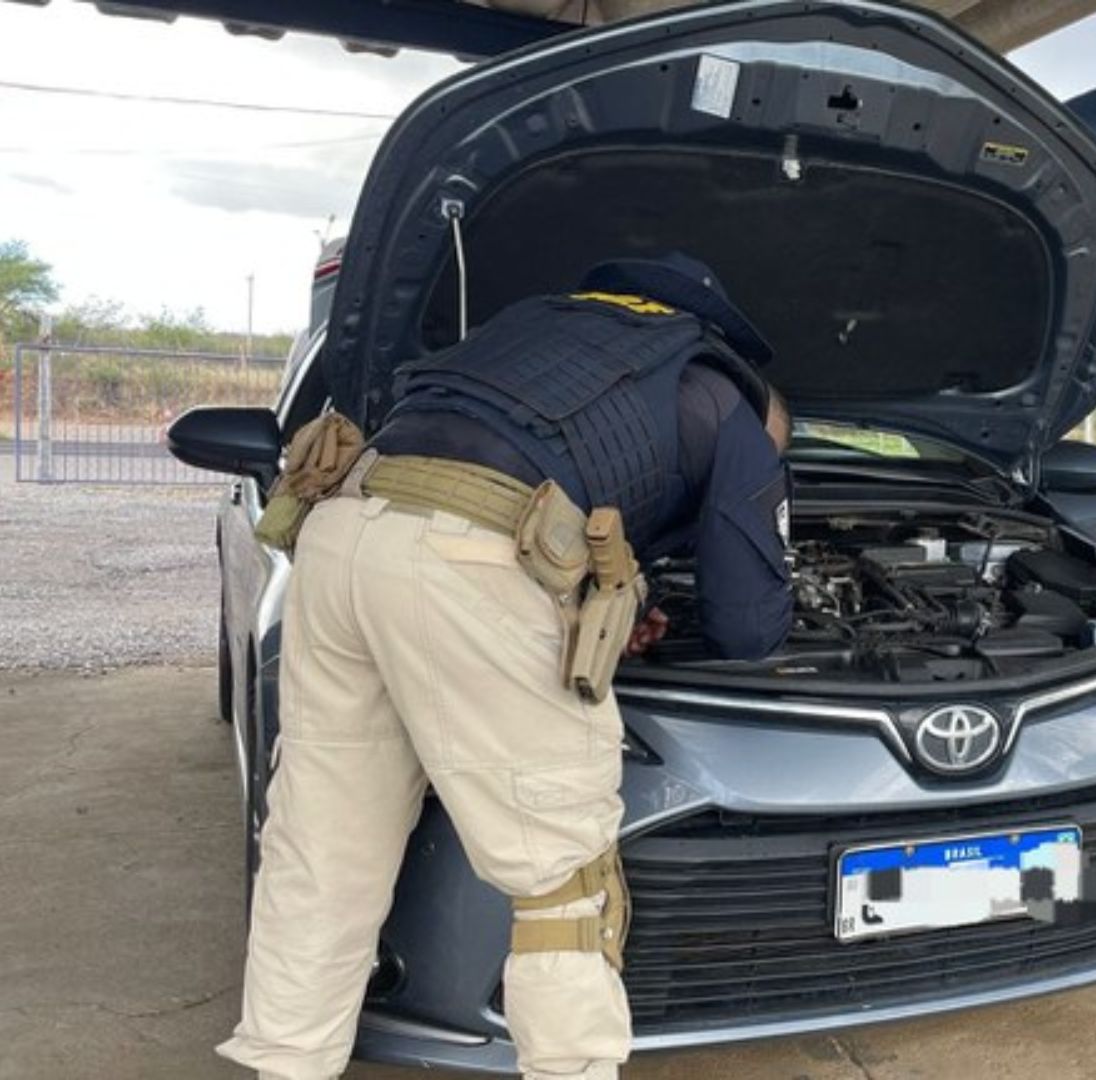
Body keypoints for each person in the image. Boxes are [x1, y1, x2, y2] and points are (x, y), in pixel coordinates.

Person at [216, 254, 793, 1080]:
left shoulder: (527, 331)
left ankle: (288, 1063)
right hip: (463, 559)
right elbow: (747, 627)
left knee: (324, 838)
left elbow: (529, 474)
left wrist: (604, 605)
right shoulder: (730, 401)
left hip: (344, 533)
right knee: (563, 878)